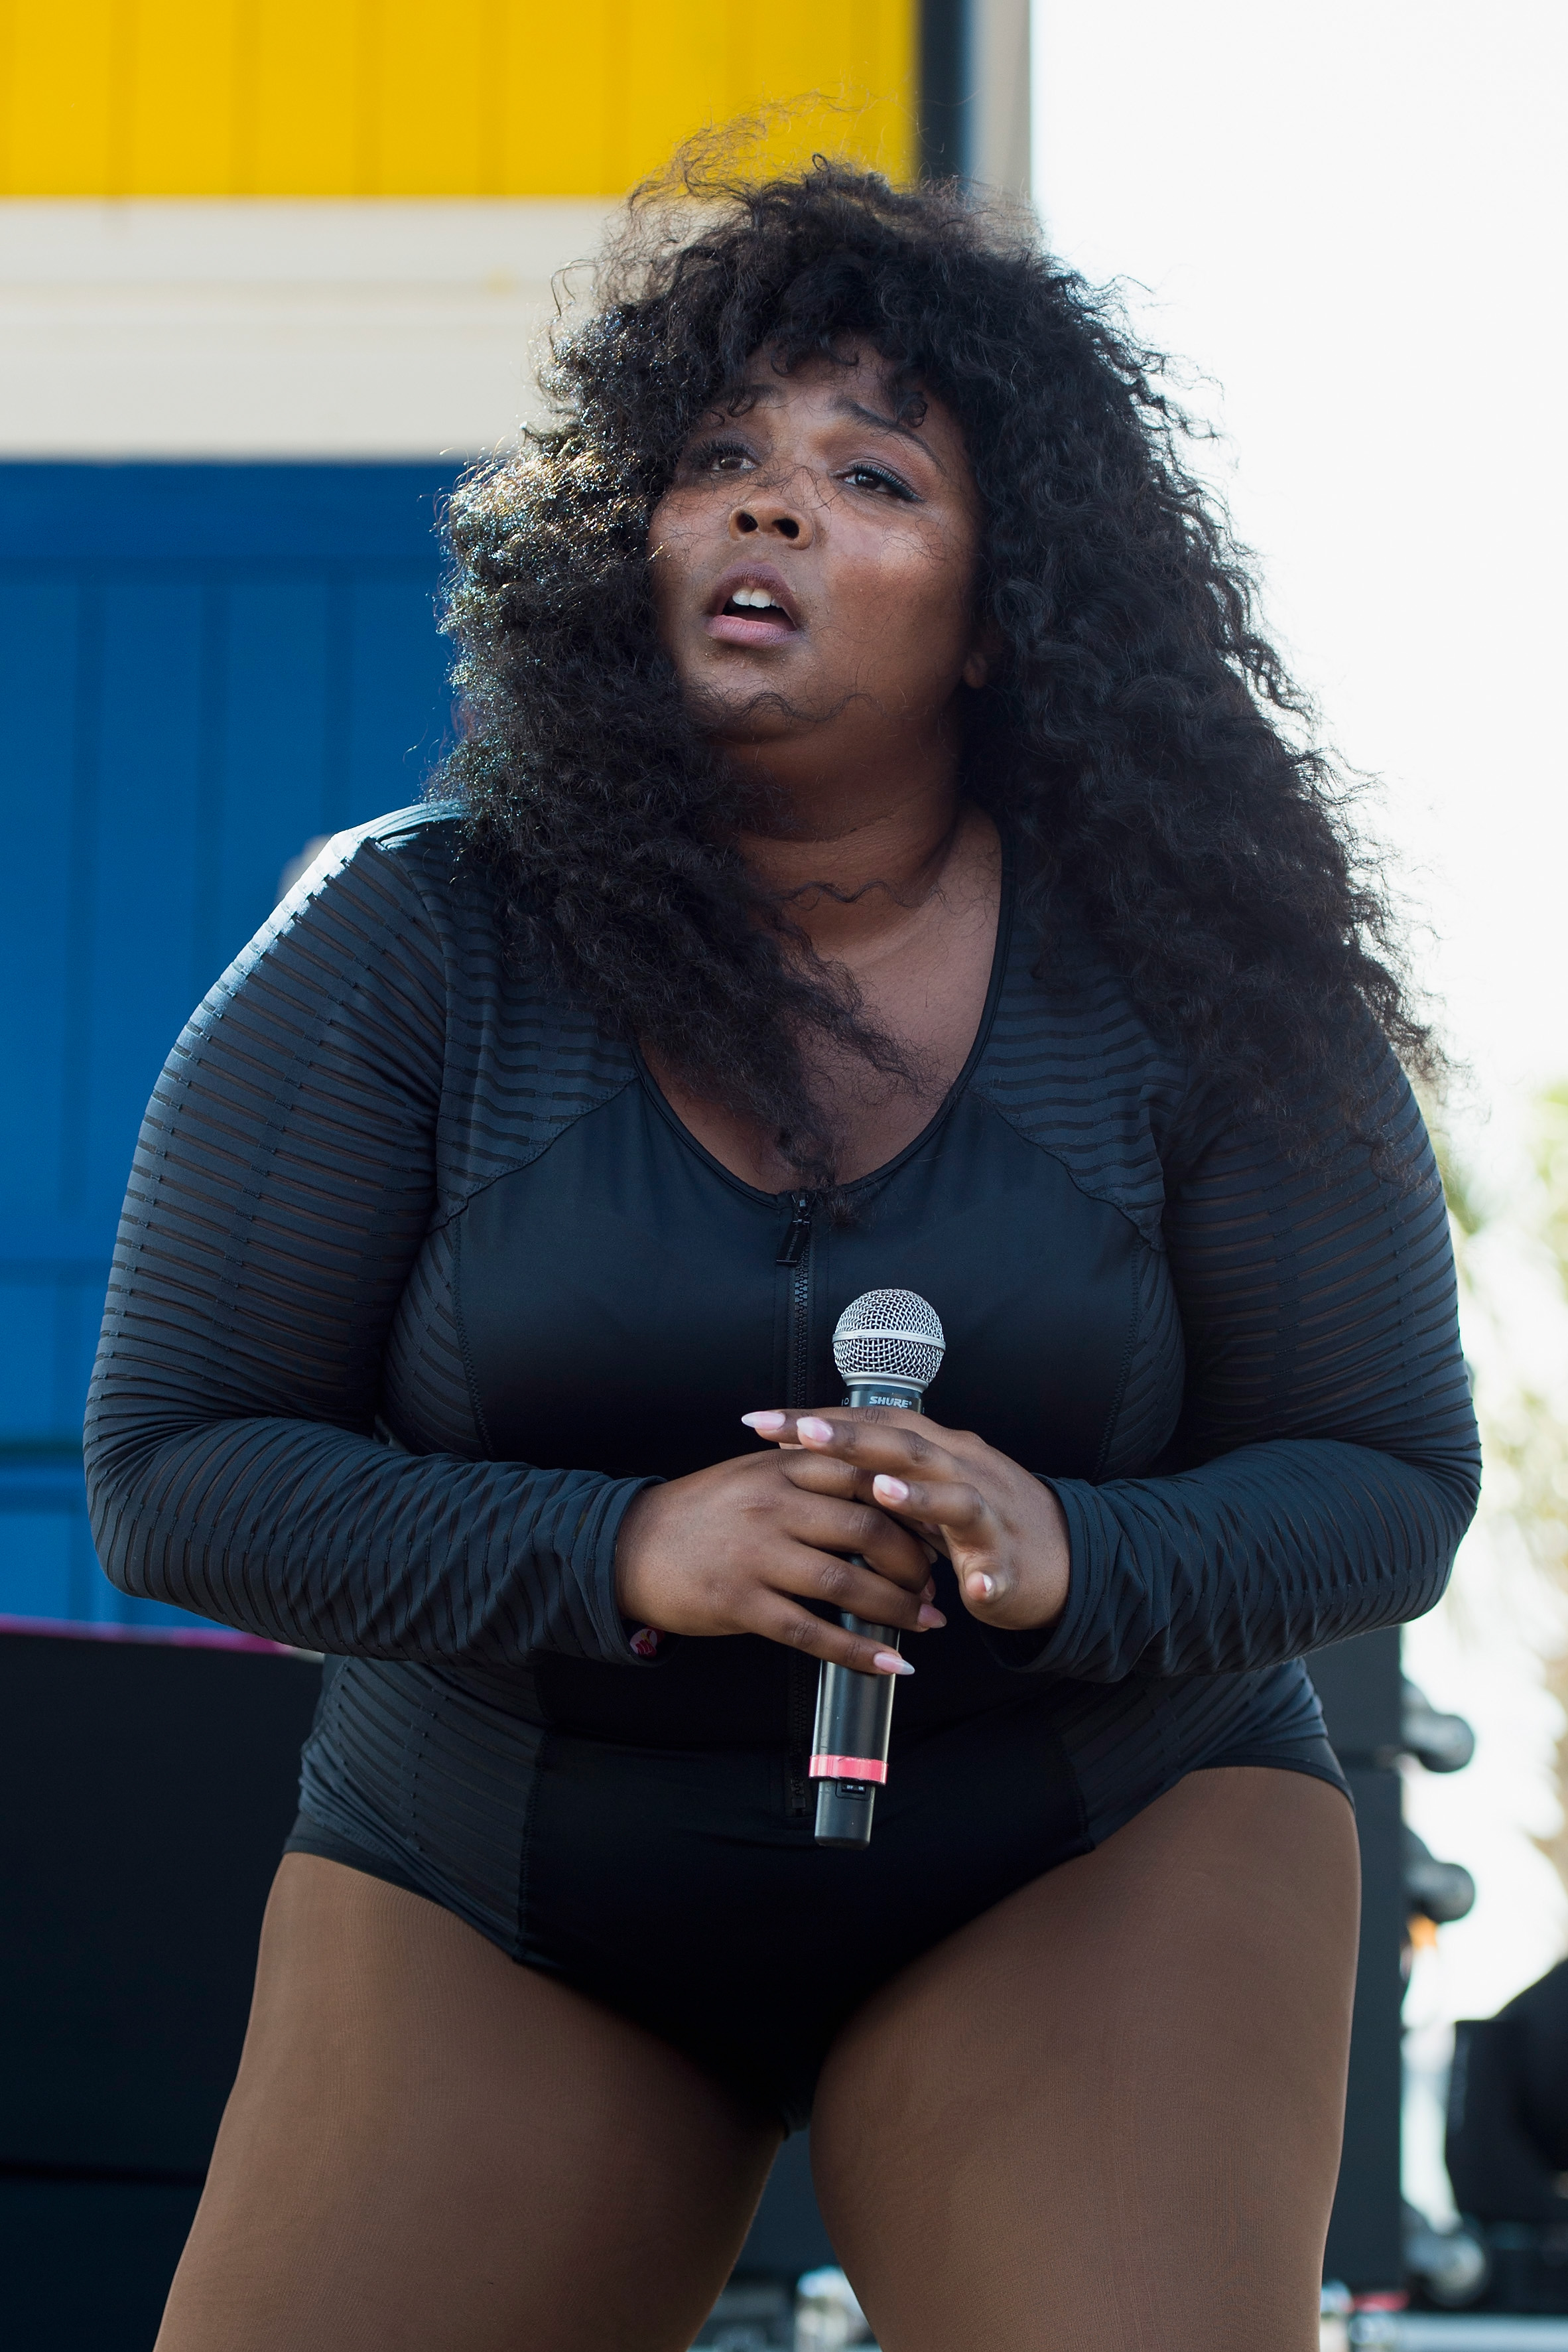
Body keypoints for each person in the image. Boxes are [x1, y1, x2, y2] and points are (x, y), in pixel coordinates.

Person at [86, 158, 1480, 2352]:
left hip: (1086, 1847)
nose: (766, 511)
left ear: (1007, 604)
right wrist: (624, 1545)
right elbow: (174, 1465)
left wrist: (1071, 1550)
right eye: (718, 461)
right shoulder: (402, 939)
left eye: (865, 475)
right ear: (622, 536)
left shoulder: (1205, 978)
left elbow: (1387, 1473)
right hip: (511, 1874)